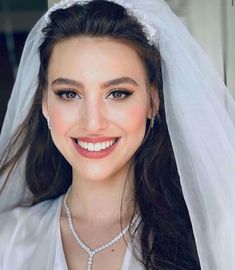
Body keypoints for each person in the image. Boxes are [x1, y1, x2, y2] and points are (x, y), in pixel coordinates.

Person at [0, 0, 235, 269]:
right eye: (69, 94)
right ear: (44, 104)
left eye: (118, 94)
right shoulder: (8, 241)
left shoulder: (211, 239)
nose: (93, 122)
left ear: (153, 101)